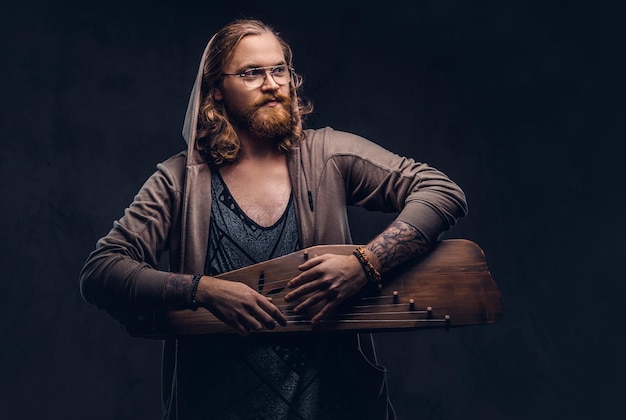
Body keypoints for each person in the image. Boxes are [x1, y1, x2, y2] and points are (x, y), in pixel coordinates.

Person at [80, 18, 468, 420]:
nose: (272, 83)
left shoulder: (327, 155)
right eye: (251, 73)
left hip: (336, 407)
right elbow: (102, 271)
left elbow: (441, 190)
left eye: (279, 69)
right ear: (216, 91)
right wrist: (203, 290)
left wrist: (364, 264)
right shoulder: (178, 181)